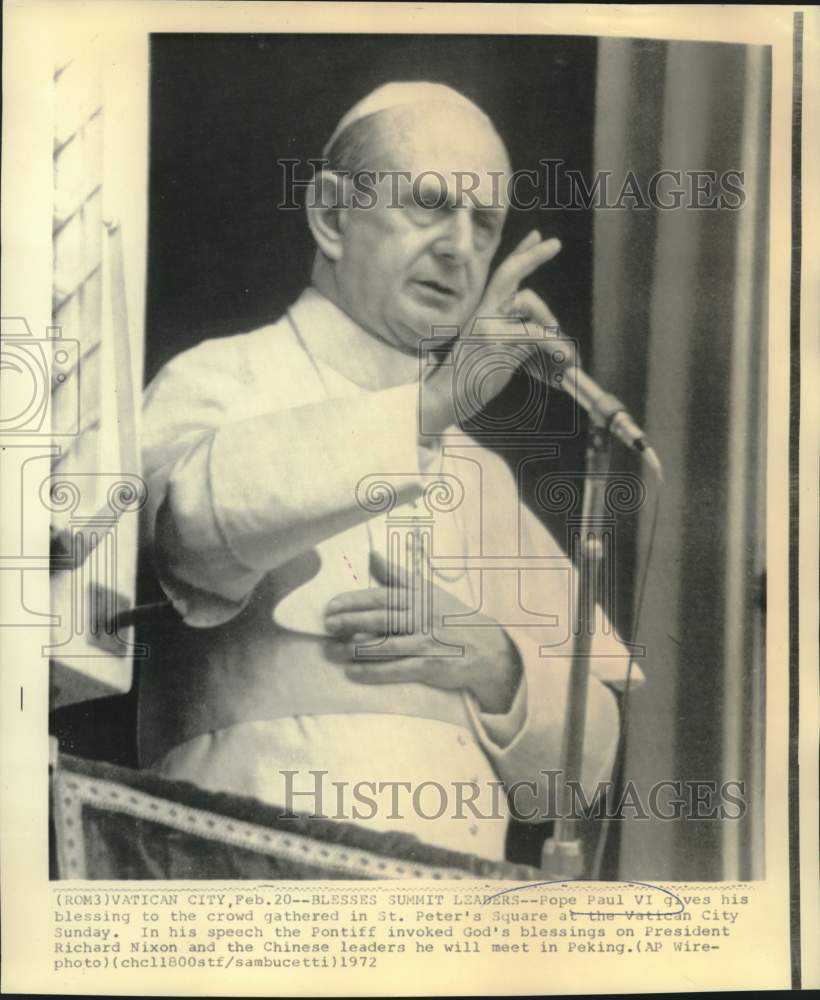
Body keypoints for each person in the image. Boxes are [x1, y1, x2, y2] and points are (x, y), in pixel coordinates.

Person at [139, 82, 637, 863]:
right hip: (247, 891)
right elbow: (191, 535)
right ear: (332, 216)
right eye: (429, 204)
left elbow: (576, 780)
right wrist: (430, 407)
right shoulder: (218, 379)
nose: (459, 247)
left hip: (450, 921)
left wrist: (500, 667)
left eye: (485, 223)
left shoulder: (485, 480)